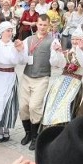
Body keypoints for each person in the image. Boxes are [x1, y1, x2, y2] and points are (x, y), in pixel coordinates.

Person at [41, 28, 83, 127]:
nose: (74, 41)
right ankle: (48, 127)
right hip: (60, 82)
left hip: (75, 83)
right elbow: (58, 64)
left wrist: (81, 50)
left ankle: (61, 130)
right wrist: (57, 53)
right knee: (52, 103)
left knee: (66, 106)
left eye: (77, 39)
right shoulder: (67, 52)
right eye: (73, 39)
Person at [19, 14, 55, 150]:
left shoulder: (52, 41)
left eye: (45, 25)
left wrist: (57, 53)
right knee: (23, 107)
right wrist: (18, 49)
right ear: (36, 24)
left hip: (42, 77)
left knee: (34, 107)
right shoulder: (28, 39)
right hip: (27, 76)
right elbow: (21, 58)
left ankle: (35, 136)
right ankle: (27, 133)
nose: (42, 27)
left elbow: (57, 62)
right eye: (40, 24)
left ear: (49, 25)